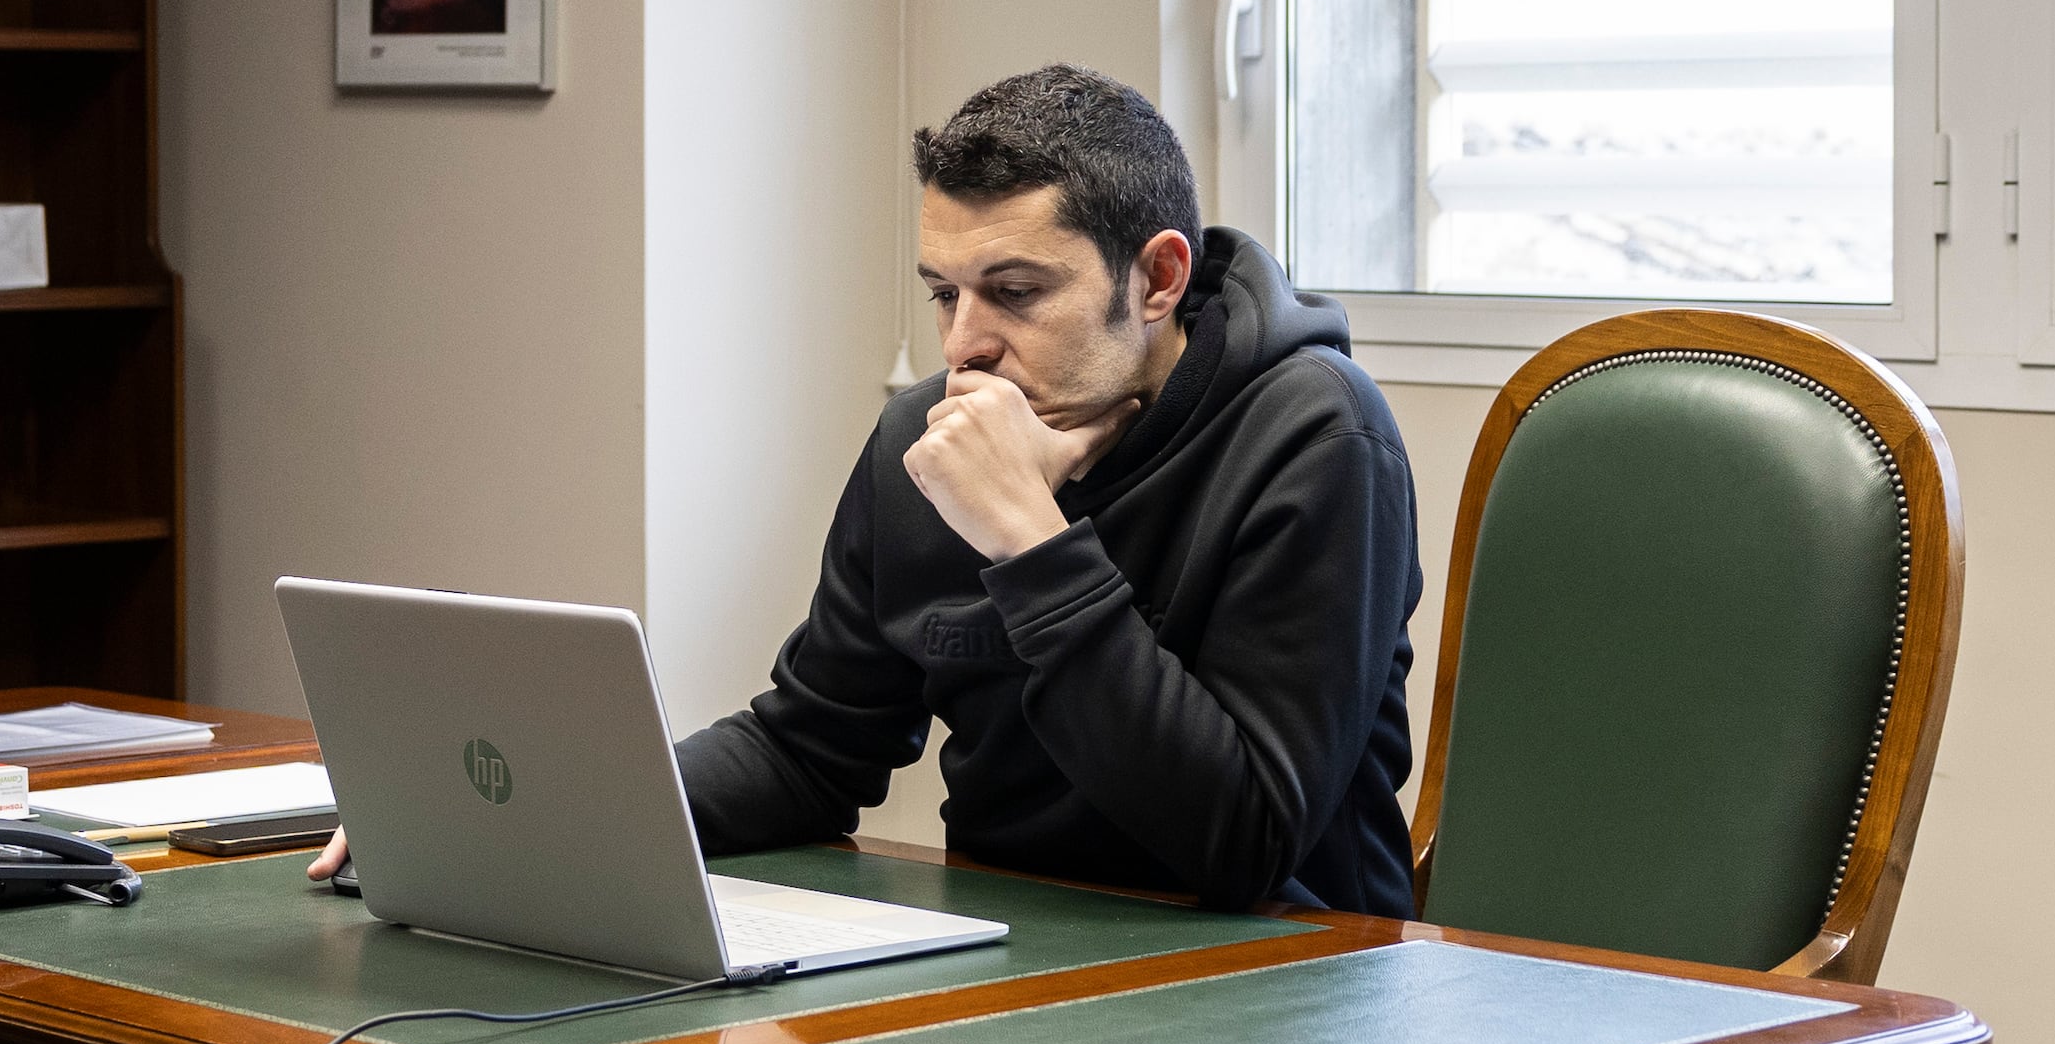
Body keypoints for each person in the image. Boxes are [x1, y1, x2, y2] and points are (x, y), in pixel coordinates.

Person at [315, 63, 1423, 915]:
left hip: (1281, 986)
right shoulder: (925, 439)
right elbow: (811, 747)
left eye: (1015, 291)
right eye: (943, 294)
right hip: (1018, 968)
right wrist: (551, 806)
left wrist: (1030, 544)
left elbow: (1243, 841)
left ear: (1158, 277)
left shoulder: (1319, 436)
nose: (965, 345)